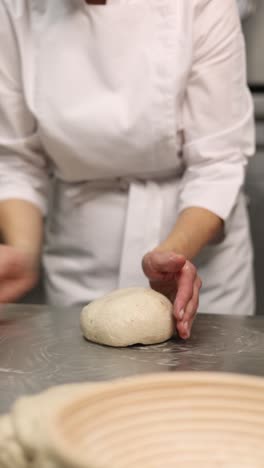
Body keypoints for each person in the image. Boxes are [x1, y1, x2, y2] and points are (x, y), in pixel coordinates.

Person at [0, 0, 255, 340]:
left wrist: (173, 256)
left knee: (197, 388)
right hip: (81, 253)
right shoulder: (16, 7)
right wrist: (23, 254)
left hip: (196, 258)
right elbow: (17, 159)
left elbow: (217, 162)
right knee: (83, 387)